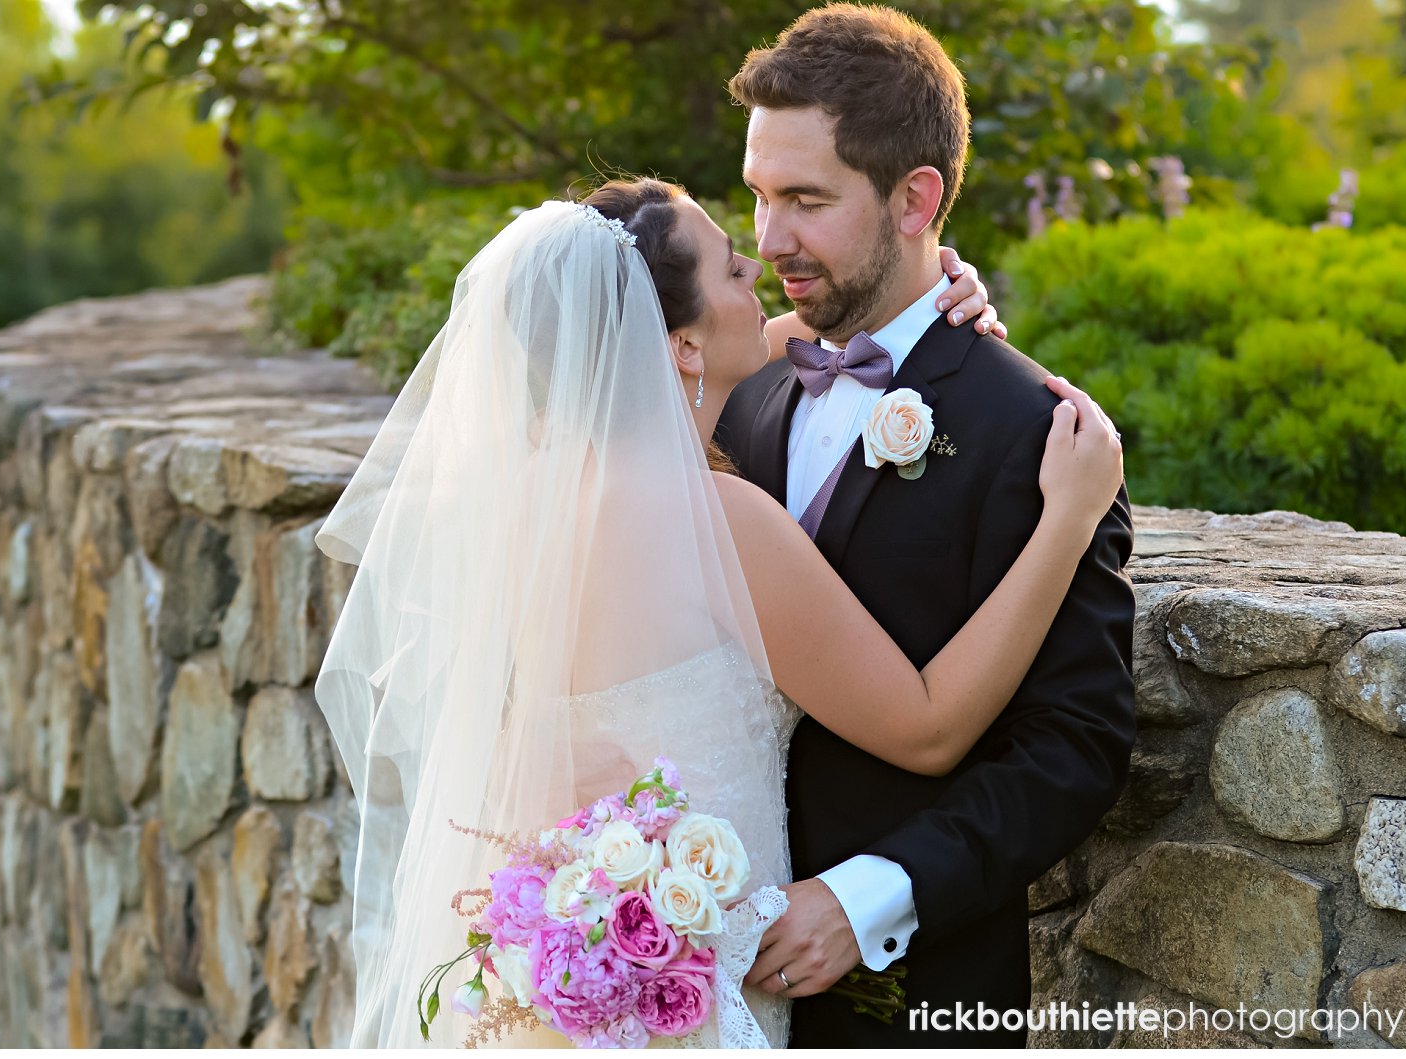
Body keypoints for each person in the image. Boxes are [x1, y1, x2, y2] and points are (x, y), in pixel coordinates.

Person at [315, 175, 1123, 1046]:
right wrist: (1066, 523)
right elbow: (928, 728)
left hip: (584, 989)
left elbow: (747, 341)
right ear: (683, 347)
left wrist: (928, 291)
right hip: (703, 999)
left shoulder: (535, 503)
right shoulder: (720, 524)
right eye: (737, 270)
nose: (767, 273)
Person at [716, 3, 1138, 1048]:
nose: (771, 240)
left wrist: (867, 900)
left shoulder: (1036, 438)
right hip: (689, 969)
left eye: (806, 201)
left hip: (913, 1003)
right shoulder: (744, 395)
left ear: (918, 199)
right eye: (760, 198)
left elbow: (1073, 748)